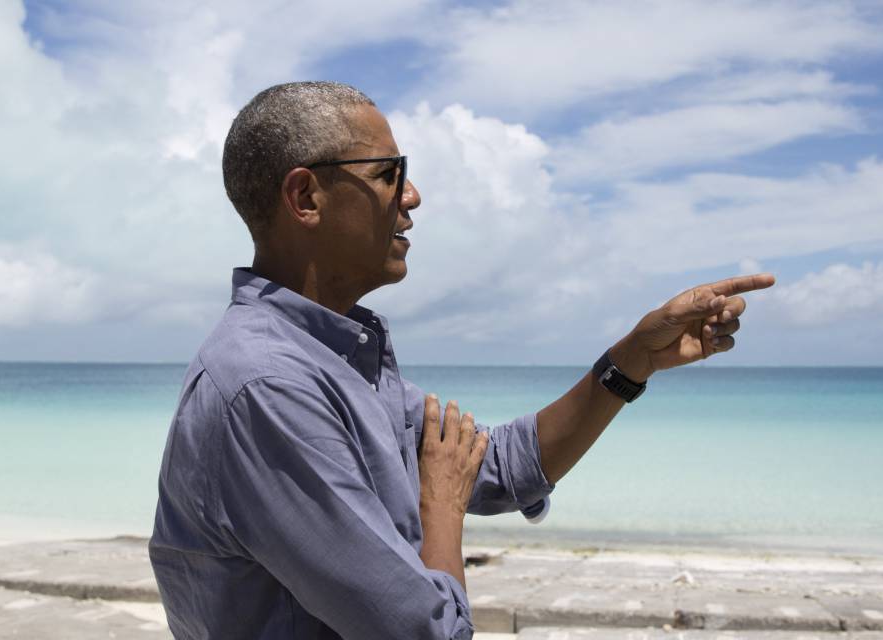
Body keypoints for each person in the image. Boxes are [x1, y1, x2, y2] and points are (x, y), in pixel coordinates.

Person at [149, 81, 774, 640]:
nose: (412, 196)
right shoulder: (270, 386)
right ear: (306, 196)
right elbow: (421, 631)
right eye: (390, 172)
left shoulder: (329, 357)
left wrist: (631, 361)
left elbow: (495, 463)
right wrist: (441, 512)